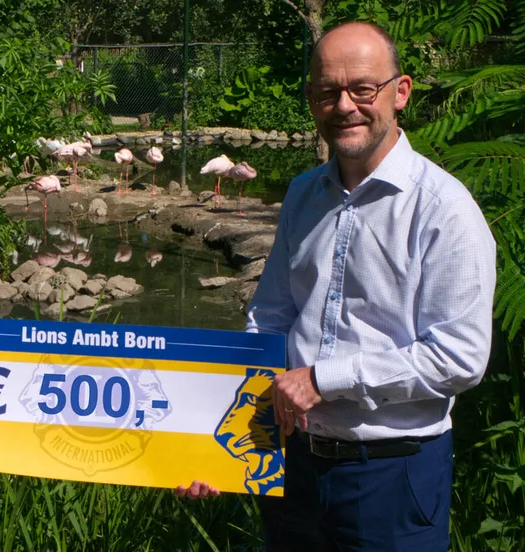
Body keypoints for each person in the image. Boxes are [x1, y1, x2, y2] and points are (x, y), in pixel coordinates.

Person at [177, 21, 496, 551]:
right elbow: (270, 321)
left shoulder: (444, 209)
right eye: (328, 91)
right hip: (293, 466)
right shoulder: (304, 194)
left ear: (401, 93)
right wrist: (219, 443)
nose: (345, 105)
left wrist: (325, 379)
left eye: (362, 88)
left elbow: (460, 357)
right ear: (311, 99)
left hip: (392, 477)